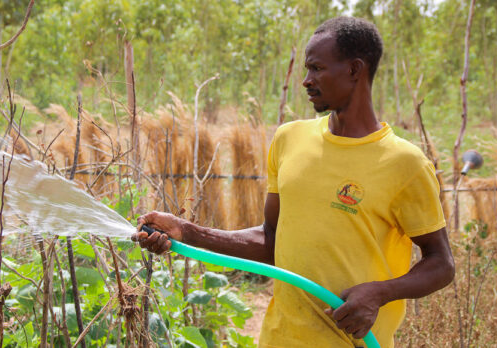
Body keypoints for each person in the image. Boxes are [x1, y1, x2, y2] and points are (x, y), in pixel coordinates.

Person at [132, 16, 455, 348]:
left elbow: (441, 264)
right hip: (279, 339)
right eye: (306, 69)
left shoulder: (405, 163)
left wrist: (380, 293)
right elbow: (272, 239)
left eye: (316, 69)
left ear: (355, 70)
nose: (305, 80)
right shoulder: (290, 139)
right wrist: (186, 231)